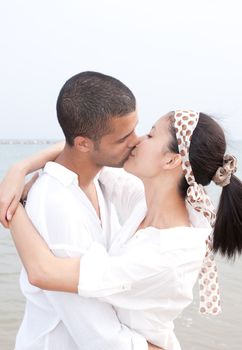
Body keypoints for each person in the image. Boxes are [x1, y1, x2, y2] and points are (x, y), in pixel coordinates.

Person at [3, 108, 242, 349]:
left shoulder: (167, 250)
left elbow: (43, 272)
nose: (138, 140)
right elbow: (83, 154)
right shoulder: (150, 203)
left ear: (171, 160)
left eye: (150, 135)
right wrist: (20, 169)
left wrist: (14, 205)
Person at [1, 71, 161, 350]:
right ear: (84, 143)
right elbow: (97, 335)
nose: (136, 141)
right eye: (124, 137)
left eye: (136, 128)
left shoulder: (100, 176)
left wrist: (22, 166)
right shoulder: (57, 205)